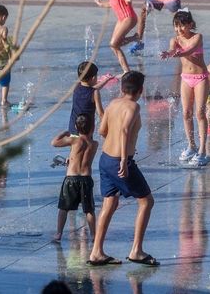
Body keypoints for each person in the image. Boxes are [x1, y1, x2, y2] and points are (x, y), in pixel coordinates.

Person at [88, 71, 159, 267]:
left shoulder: (112, 104)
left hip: (104, 159)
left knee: (109, 204)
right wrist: (122, 162)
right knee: (146, 202)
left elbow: (102, 131)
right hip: (120, 161)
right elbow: (126, 130)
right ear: (140, 91)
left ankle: (96, 252)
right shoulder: (134, 107)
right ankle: (136, 250)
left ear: (121, 88)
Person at [160, 10, 210, 167]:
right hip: (186, 79)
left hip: (201, 78)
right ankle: (192, 146)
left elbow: (189, 51)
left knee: (200, 113)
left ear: (190, 25)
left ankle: (202, 151)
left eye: (182, 26)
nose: (179, 29)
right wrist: (168, 53)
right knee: (186, 113)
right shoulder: (175, 40)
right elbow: (171, 49)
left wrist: (176, 53)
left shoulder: (198, 37)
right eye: (176, 26)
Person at [51, 115, 99, 242]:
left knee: (63, 208)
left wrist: (66, 132)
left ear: (76, 127)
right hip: (86, 178)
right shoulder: (94, 144)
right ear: (92, 128)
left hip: (71, 178)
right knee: (89, 210)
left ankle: (58, 233)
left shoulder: (74, 140)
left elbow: (54, 142)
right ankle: (94, 235)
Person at [94, 0, 139, 74]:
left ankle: (134, 38)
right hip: (121, 19)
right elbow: (113, 3)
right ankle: (126, 71)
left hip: (129, 17)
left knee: (114, 44)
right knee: (114, 46)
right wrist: (101, 4)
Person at [69, 61, 114, 136]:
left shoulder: (76, 87)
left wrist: (105, 81)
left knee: (75, 147)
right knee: (88, 147)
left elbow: (89, 89)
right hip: (86, 130)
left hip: (73, 128)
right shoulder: (95, 93)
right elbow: (100, 113)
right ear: (93, 78)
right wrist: (108, 129)